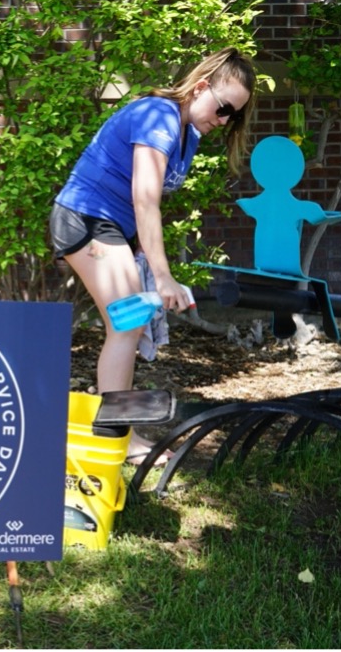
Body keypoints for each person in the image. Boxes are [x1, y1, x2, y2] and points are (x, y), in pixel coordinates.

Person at [50, 47, 257, 465]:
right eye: (222, 108)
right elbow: (145, 199)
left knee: (128, 322)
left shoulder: (188, 136)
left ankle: (115, 434)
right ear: (200, 87)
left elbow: (147, 202)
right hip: (85, 218)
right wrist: (161, 277)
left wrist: (145, 257)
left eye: (232, 116)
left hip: (110, 227)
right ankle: (115, 438)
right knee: (128, 322)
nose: (223, 121)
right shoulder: (159, 114)